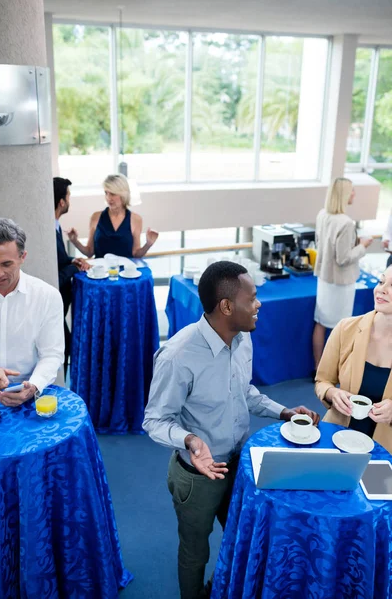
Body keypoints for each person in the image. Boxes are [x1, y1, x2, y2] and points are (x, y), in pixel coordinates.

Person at [143, 261, 320, 599]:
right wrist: (191, 440)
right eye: (252, 298)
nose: (259, 304)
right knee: (195, 553)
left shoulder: (242, 339)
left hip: (240, 465)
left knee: (241, 539)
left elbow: (245, 392)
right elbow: (155, 420)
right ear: (226, 306)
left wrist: (283, 411)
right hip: (196, 476)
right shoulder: (177, 356)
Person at [315, 265, 392, 454]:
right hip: (336, 438)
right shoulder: (345, 328)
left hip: (384, 450)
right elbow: (322, 381)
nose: (381, 289)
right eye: (382, 281)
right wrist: (333, 394)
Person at [0, 218, 64, 406]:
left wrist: (34, 385)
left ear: (23, 257)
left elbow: (51, 355)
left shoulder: (47, 296)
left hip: (28, 396)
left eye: (6, 264)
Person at [312, 177, 373, 372]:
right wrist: (363, 246)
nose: (354, 193)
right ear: (344, 195)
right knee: (342, 328)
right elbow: (343, 258)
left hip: (324, 279)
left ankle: (318, 369)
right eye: (352, 190)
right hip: (341, 283)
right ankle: (335, 371)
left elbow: (323, 245)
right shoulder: (346, 223)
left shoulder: (322, 214)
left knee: (320, 323)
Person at [67, 173, 159, 259]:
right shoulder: (96, 217)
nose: (108, 198)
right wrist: (75, 241)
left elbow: (136, 254)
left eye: (113, 194)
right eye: (106, 193)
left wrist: (148, 244)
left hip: (125, 274)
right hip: (101, 274)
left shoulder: (135, 219)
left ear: (123, 194)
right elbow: (89, 252)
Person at [54, 177, 90, 375]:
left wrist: (71, 260)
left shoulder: (56, 225)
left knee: (68, 343)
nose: (69, 200)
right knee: (66, 344)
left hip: (63, 302)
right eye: (68, 196)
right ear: (61, 202)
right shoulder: (49, 230)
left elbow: (59, 259)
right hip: (57, 299)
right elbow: (54, 275)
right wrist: (74, 268)